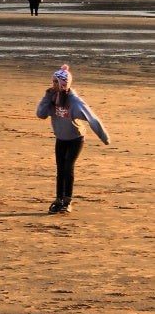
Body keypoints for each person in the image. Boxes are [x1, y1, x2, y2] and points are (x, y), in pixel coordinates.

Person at [36, 64, 110, 214]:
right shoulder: (52, 98)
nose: (53, 85)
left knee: (68, 167)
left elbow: (92, 119)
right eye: (53, 82)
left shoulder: (74, 101)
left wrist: (104, 137)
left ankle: (67, 201)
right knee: (60, 169)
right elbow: (41, 114)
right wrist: (46, 97)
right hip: (61, 139)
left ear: (64, 84)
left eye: (56, 82)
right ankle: (58, 200)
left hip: (76, 139)